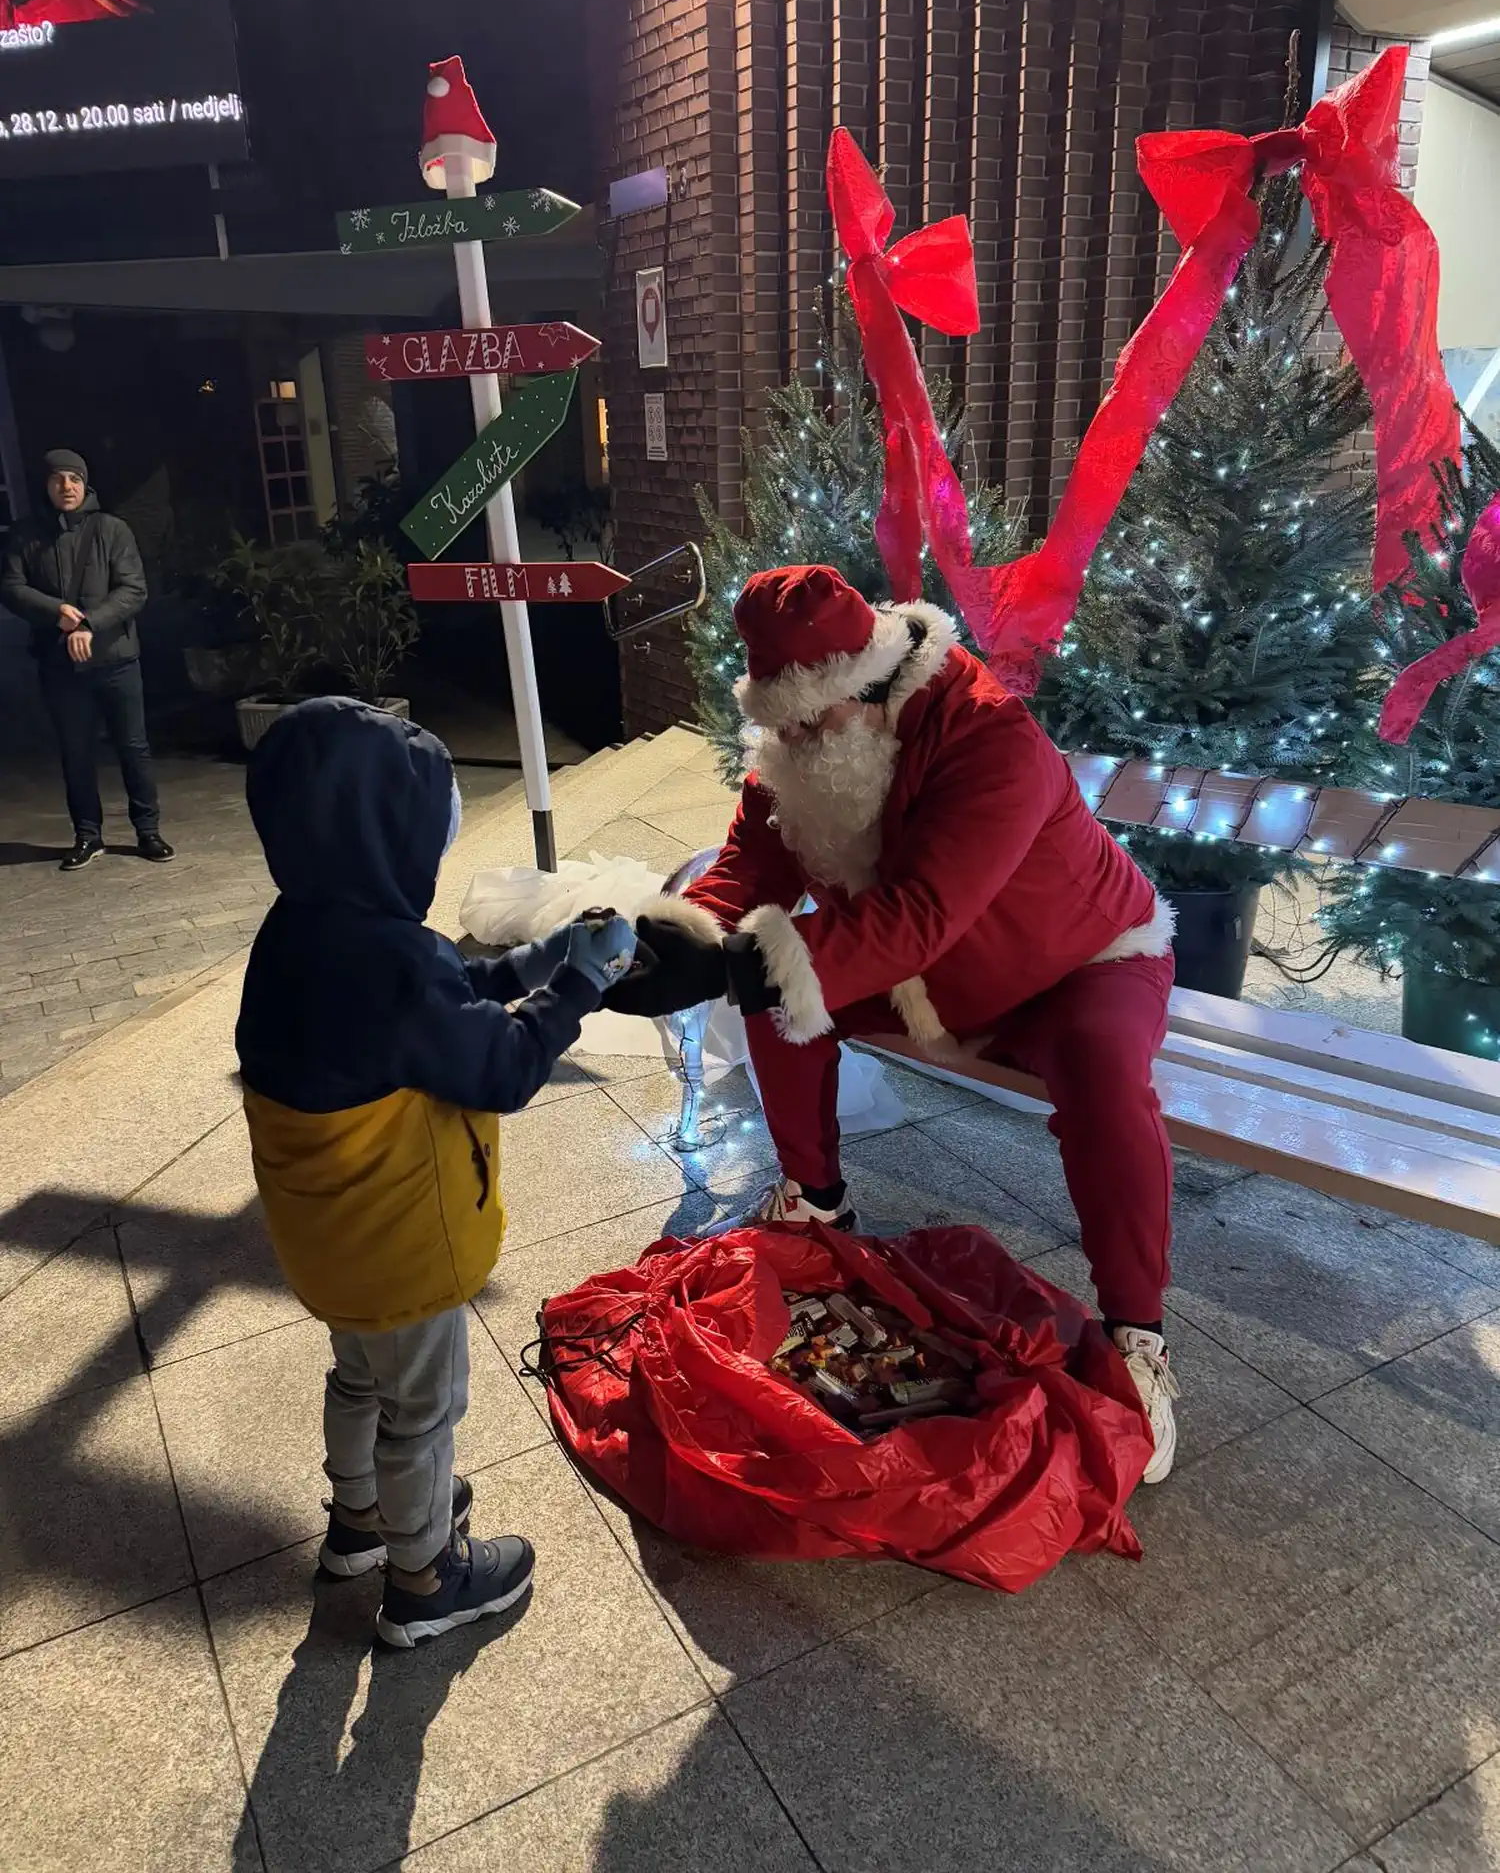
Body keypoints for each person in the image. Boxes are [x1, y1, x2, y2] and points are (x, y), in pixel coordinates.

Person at [605, 564, 1182, 1482]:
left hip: (1083, 955)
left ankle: (1139, 1333)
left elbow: (922, 912)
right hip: (933, 971)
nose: (794, 741)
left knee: (1104, 1074)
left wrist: (752, 958)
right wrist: (684, 940)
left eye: (811, 721)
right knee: (780, 993)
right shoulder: (805, 746)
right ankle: (818, 1199)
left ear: (871, 688)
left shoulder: (993, 738)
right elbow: (751, 867)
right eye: (779, 723)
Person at [236, 698, 636, 1647]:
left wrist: (529, 962)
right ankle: (425, 1580)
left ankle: (360, 1523)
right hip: (400, 1244)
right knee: (422, 1410)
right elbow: (496, 1068)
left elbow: (432, 996)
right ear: (385, 838)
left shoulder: (294, 936)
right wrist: (578, 986)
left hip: (323, 1240)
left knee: (358, 1380)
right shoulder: (394, 968)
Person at [0, 447, 173, 869]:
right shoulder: (23, 536)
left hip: (116, 658)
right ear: (46, 485)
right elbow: (10, 586)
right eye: (59, 478)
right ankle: (87, 835)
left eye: (74, 479)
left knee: (133, 747)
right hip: (60, 665)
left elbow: (134, 589)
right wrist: (54, 611)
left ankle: (147, 831)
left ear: (86, 484)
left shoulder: (112, 530)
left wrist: (88, 624)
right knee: (75, 752)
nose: (67, 487)